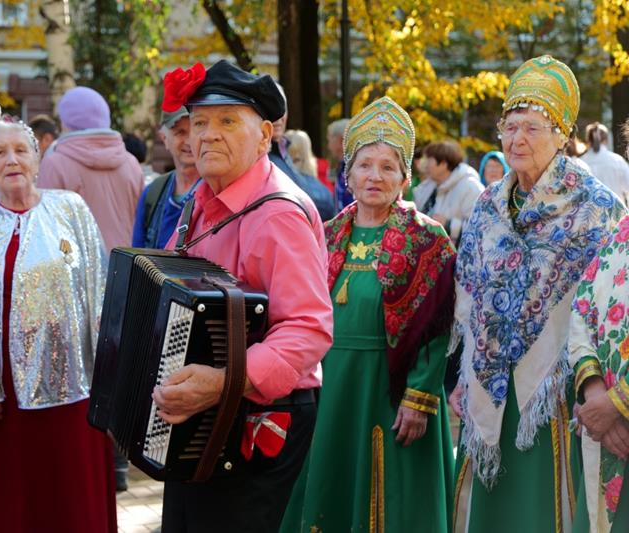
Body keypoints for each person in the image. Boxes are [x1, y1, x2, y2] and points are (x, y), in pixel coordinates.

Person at [151, 60, 333, 532]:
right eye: (199, 122)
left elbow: (309, 330)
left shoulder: (278, 214)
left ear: (266, 135)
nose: (207, 135)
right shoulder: (201, 201)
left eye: (227, 121)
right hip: (208, 410)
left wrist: (220, 382)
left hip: (261, 414)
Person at [450, 55, 626, 533]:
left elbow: (610, 306)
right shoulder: (488, 205)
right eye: (509, 127)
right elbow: (468, 294)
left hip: (560, 397)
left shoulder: (596, 207)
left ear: (562, 134)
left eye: (532, 127)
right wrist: (463, 377)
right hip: (490, 386)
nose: (517, 139)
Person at [281, 96, 456, 531]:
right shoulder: (327, 234)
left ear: (404, 177)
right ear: (348, 172)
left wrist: (419, 398)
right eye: (364, 165)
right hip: (334, 388)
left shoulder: (426, 240)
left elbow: (438, 329)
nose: (374, 176)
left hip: (394, 393)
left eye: (387, 166)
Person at [0, 118, 116, 533]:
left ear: (38, 158)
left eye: (21, 150)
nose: (12, 160)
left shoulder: (70, 209)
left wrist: (109, 377)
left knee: (77, 492)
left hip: (79, 385)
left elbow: (99, 291)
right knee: (21, 497)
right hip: (8, 395)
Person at [566, 119, 629, 533]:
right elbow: (582, 309)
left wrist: (617, 404)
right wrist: (593, 394)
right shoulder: (621, 231)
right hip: (604, 429)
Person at [37, 86, 144, 251]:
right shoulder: (131, 163)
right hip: (126, 266)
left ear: (65, 121)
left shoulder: (54, 164)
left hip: (78, 270)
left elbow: (47, 229)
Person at [132, 106, 201, 249]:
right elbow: (137, 254)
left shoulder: (216, 191)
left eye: (195, 130)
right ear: (164, 139)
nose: (189, 141)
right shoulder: (153, 193)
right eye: (180, 132)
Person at [268, 86, 335, 221]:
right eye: (270, 107)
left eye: (282, 107)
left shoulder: (282, 153)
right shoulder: (258, 159)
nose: (279, 115)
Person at [418, 140, 484, 243]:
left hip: (457, 256)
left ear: (443, 164)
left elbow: (481, 228)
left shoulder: (471, 187)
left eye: (430, 160)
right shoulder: (427, 186)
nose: (426, 165)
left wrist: (448, 224)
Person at [580, 121, 629, 206]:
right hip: (617, 214)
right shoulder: (617, 160)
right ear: (606, 140)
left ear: (588, 140)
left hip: (590, 216)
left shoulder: (580, 162)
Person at [328, 118, 353, 209]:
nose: (328, 146)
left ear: (340, 140)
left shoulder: (352, 169)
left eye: (329, 140)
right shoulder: (344, 167)